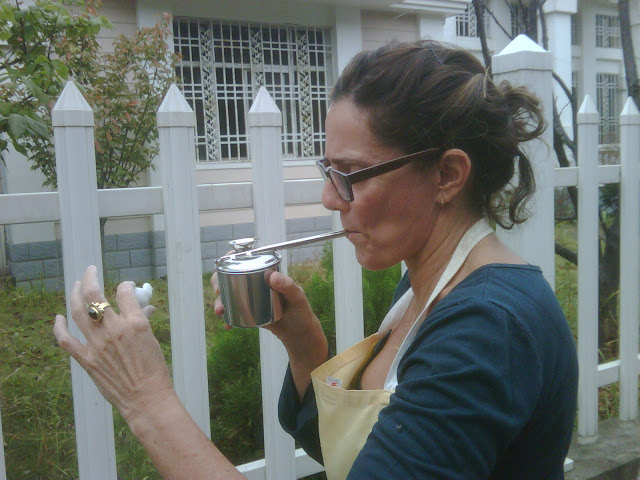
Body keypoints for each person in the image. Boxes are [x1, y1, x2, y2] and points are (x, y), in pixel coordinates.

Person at [54, 39, 578, 480]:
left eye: (350, 174)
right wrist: (304, 346)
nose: (330, 198)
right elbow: (362, 455)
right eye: (328, 171)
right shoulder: (425, 288)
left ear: (446, 175)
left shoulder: (488, 329)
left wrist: (147, 400)